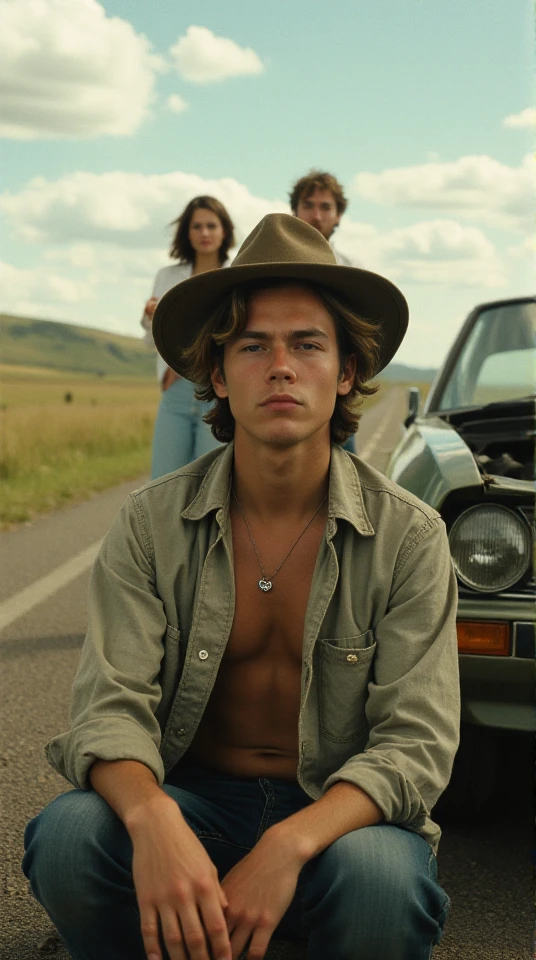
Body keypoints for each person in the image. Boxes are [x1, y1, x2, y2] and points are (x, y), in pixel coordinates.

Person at [23, 214, 460, 960]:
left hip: (337, 824)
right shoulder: (149, 524)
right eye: (253, 346)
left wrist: (289, 845)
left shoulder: (409, 536)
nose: (281, 366)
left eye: (308, 344)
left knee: (385, 884)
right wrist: (155, 822)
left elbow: (414, 744)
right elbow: (109, 708)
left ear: (347, 371)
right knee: (68, 837)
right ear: (219, 376)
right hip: (193, 804)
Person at [142, 195, 235, 478]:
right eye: (196, 226)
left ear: (224, 231)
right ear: (187, 232)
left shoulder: (237, 275)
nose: (204, 233)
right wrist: (150, 319)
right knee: (162, 483)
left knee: (210, 485)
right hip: (176, 392)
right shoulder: (166, 276)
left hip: (220, 392)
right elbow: (150, 341)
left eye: (211, 225)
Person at [290, 170, 359, 451]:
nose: (316, 215)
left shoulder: (351, 272)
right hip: (283, 379)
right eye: (308, 205)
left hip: (333, 384)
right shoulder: (270, 266)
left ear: (339, 215)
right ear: (294, 211)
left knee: (344, 467)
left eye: (325, 207)